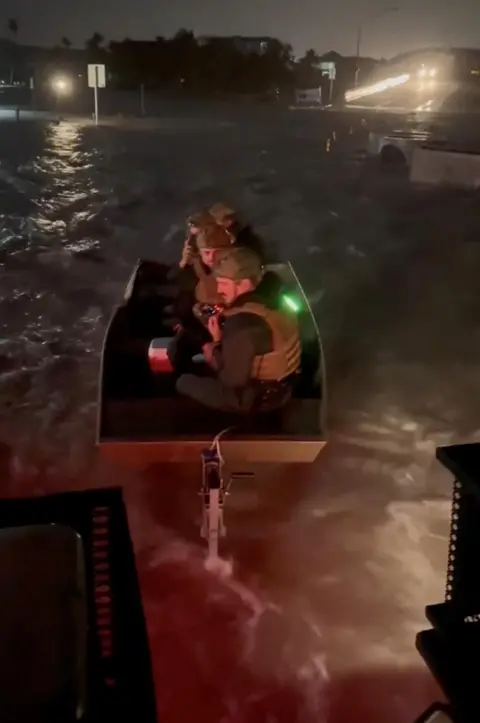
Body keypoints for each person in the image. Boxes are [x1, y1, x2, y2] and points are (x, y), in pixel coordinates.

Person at [176, 246, 301, 413]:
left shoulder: (241, 325)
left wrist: (214, 349)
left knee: (183, 381)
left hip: (262, 399)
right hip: (287, 383)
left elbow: (232, 392)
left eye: (224, 283)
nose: (219, 289)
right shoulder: (274, 294)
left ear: (245, 282)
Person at [168, 224, 233, 373]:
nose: (211, 258)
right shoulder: (192, 273)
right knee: (175, 351)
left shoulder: (236, 269)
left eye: (218, 252)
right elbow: (182, 306)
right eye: (207, 252)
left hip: (230, 326)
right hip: (200, 325)